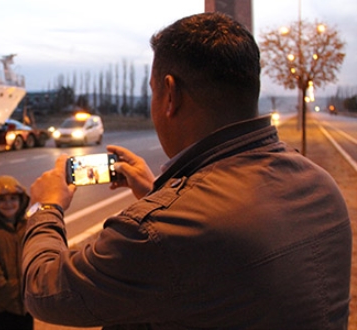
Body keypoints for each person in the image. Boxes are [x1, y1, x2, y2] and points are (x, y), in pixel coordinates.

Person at [22, 12, 351, 330]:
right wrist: (156, 194)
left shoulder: (157, 233)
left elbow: (44, 290)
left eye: (153, 91)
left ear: (170, 94)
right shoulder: (321, 186)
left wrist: (45, 207)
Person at [0, 175, 34, 330]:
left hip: (26, 299)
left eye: (13, 198)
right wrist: (4, 286)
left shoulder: (29, 225)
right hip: (2, 302)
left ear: (21, 201)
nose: (8, 204)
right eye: (2, 200)